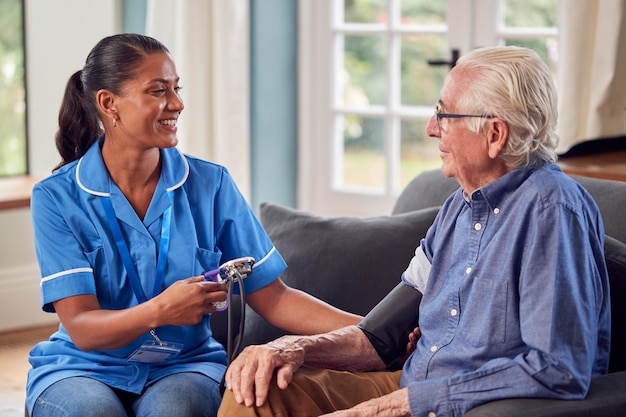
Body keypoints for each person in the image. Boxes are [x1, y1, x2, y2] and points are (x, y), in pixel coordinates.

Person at [218, 45, 612, 417]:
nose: (430, 128)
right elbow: (379, 338)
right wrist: (293, 348)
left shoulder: (552, 211)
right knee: (255, 390)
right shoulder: (458, 207)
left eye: (445, 114)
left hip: (467, 405)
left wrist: (401, 404)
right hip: (407, 384)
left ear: (494, 135)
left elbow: (558, 368)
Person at [26, 33, 363, 417]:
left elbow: (275, 298)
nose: (177, 103)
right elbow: (83, 327)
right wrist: (161, 310)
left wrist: (375, 331)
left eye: (175, 87)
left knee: (176, 410)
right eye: (157, 91)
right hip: (83, 369)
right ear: (109, 103)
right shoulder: (56, 197)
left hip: (184, 365)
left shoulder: (211, 184)